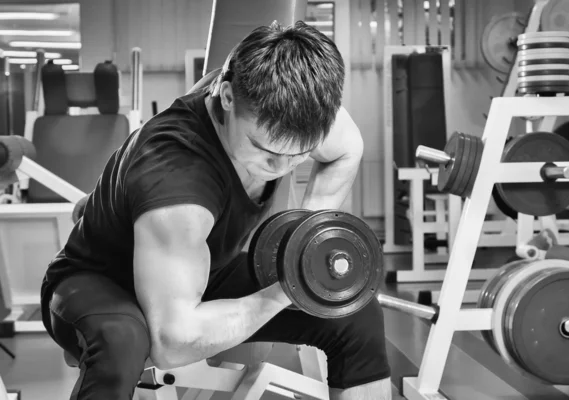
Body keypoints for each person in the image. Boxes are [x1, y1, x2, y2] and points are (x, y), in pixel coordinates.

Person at [40, 21, 392, 400]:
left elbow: (346, 148)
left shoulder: (298, 112)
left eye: (300, 155)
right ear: (226, 97)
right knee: (122, 339)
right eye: (266, 151)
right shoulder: (176, 181)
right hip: (96, 283)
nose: (282, 168)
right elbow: (171, 343)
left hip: (200, 269)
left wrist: (304, 241)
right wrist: (293, 284)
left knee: (353, 311)